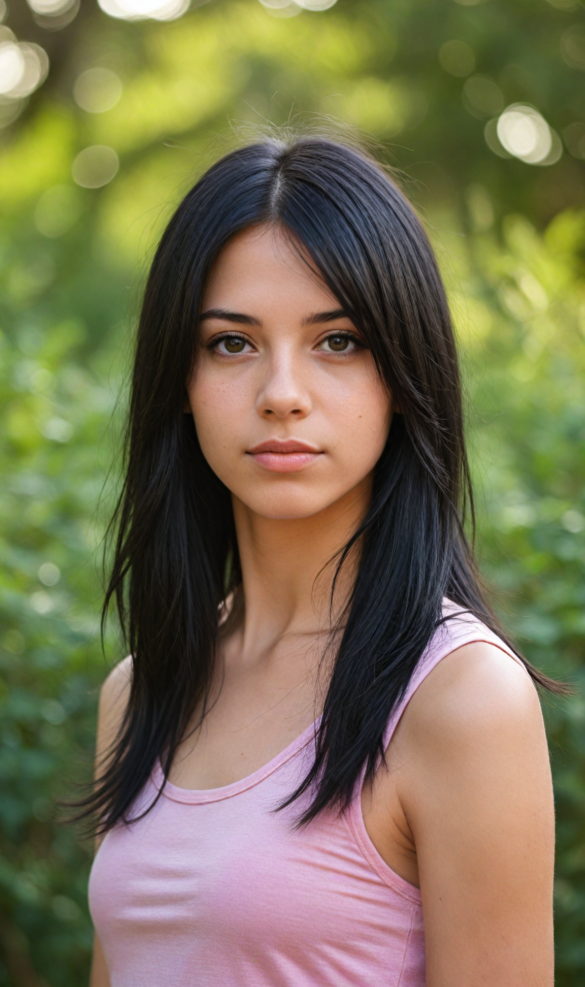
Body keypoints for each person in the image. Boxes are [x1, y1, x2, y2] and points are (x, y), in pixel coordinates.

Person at [85, 136, 557, 987]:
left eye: (337, 341)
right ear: (179, 377)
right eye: (231, 344)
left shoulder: (457, 699)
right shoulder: (140, 691)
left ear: (403, 372)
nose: (281, 392)